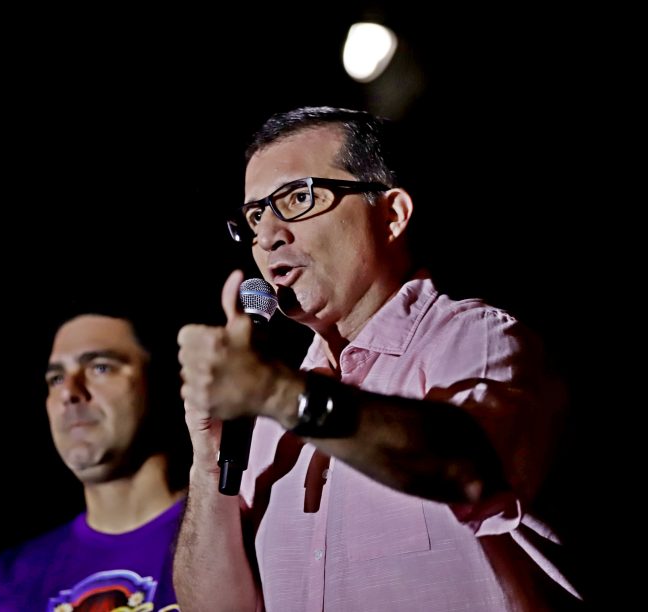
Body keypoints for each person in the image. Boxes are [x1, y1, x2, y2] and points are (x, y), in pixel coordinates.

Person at [174, 106, 581, 610]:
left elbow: (466, 466)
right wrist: (208, 458)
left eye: (298, 198)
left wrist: (278, 394)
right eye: (256, 215)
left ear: (392, 215)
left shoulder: (479, 339)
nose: (268, 235)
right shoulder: (272, 411)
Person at [0, 300, 190, 611]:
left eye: (100, 367)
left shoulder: (229, 535)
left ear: (167, 382)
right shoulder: (8, 583)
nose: (69, 392)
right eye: (56, 379)